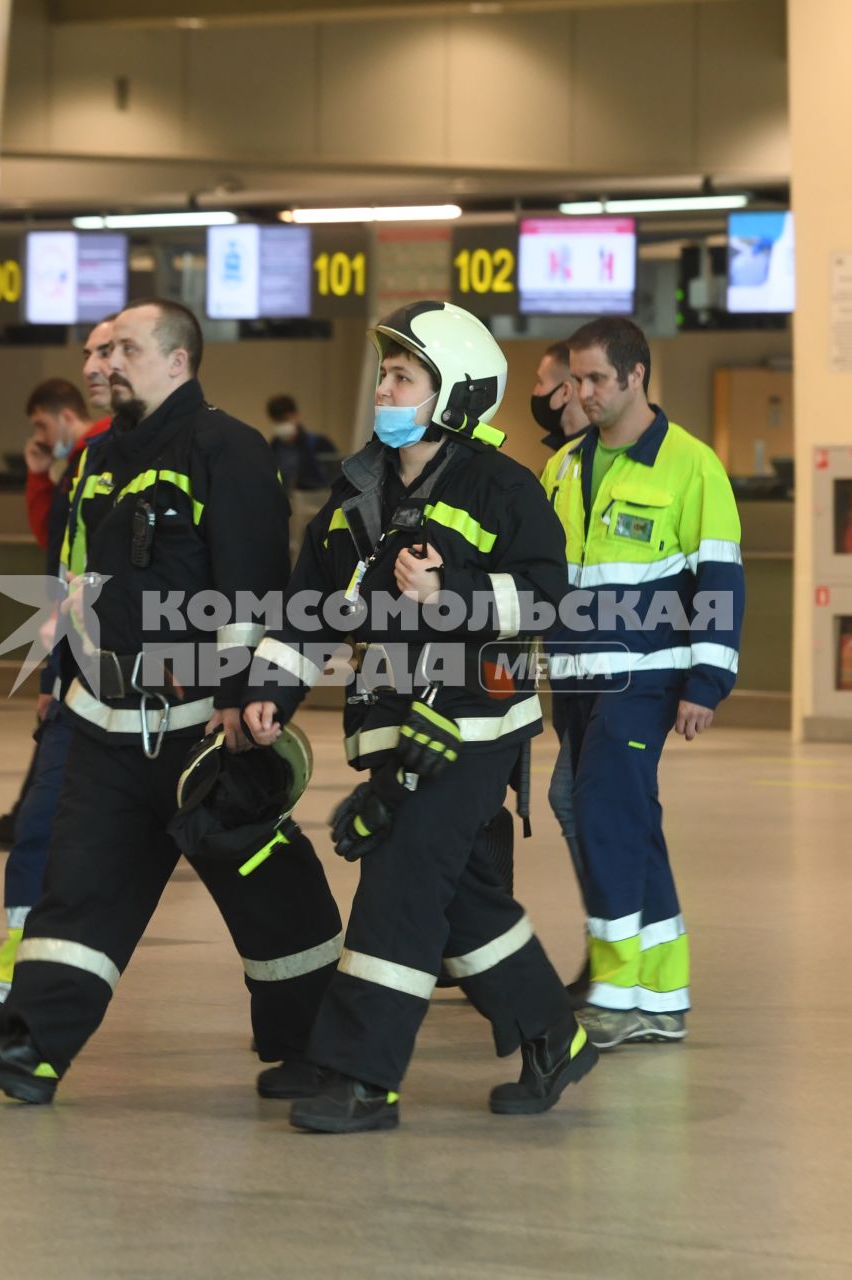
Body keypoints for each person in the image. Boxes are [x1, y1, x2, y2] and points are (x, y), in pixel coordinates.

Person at [0, 299, 344, 1104]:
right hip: (107, 723)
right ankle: (30, 1048)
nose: (99, 365)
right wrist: (59, 681)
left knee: (267, 893)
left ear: (178, 360)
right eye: (96, 352)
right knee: (79, 885)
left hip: (203, 729)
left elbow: (254, 588)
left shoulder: (228, 449)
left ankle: (320, 1047)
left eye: (121, 350)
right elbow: (74, 582)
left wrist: (241, 696)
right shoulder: (95, 460)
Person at [244, 301, 595, 1133]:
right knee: (462, 899)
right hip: (391, 731)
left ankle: (363, 1075)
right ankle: (552, 1035)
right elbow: (308, 609)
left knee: (399, 888)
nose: (384, 392)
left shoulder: (503, 488)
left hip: (475, 731)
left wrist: (451, 593)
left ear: (455, 395)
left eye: (404, 378)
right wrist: (270, 688)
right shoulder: (357, 489)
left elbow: (552, 598)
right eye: (385, 376)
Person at [542, 316, 743, 1049]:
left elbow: (720, 577)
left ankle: (618, 990)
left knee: (602, 814)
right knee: (618, 816)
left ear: (636, 377)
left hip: (646, 675)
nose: (582, 393)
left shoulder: (692, 466)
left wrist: (707, 679)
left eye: (596, 379)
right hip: (573, 676)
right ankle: (664, 992)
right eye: (576, 379)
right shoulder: (564, 465)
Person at [0, 322, 119, 852]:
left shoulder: (98, 448)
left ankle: (30, 814)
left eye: (39, 425)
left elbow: (60, 545)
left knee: (62, 715)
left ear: (62, 417)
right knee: (62, 717)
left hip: (92, 609)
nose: (37, 435)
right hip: (84, 607)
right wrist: (37, 475)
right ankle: (29, 811)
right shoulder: (85, 456)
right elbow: (54, 538)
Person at [530, 339, 593, 981]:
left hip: (618, 671)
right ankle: (608, 951)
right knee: (573, 797)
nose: (541, 396)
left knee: (576, 797)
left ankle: (614, 955)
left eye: (545, 383)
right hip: (571, 668)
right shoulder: (561, 468)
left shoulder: (599, 464)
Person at [266, 393, 335, 491]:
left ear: (296, 415)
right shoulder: (272, 448)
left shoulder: (318, 443)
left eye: (286, 419)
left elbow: (335, 476)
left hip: (316, 500)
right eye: (278, 421)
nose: (283, 424)